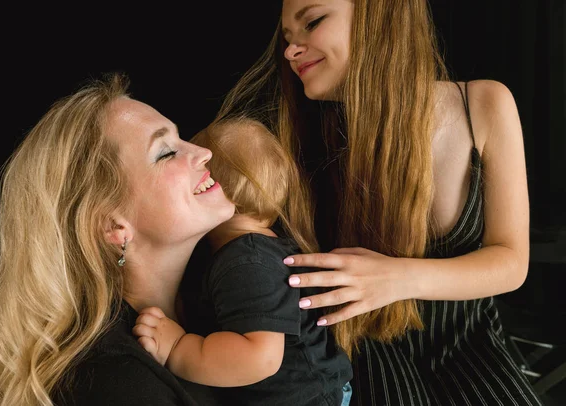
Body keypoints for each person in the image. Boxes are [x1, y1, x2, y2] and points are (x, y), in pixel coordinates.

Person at [209, 0, 544, 405]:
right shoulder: (293, 139)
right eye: (286, 38)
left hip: (469, 345)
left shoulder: (487, 104)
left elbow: (511, 262)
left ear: (380, 15)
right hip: (358, 357)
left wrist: (397, 278)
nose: (290, 51)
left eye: (311, 22)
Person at [0, 72, 236, 406]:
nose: (202, 152)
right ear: (114, 225)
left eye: (180, 138)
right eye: (166, 152)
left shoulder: (222, 293)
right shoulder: (112, 382)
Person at [133, 117, 354, 406]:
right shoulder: (255, 251)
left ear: (211, 187)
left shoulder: (247, 260)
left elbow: (259, 358)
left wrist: (178, 348)